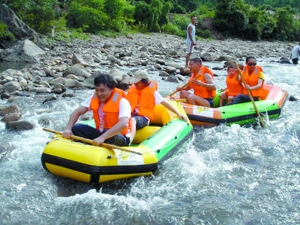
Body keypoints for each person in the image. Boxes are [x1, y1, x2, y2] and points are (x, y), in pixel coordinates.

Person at [62, 74, 132, 146]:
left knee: (108, 133)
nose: (99, 93)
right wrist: (68, 129)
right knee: (76, 128)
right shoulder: (95, 97)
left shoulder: (122, 101)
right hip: (101, 134)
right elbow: (77, 112)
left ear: (111, 89)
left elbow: (123, 123)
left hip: (119, 137)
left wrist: (103, 137)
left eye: (102, 91)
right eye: (97, 90)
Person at [127, 70, 187, 139]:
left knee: (133, 120)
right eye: (135, 83)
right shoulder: (133, 89)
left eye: (137, 83)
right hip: (132, 114)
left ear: (143, 82)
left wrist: (178, 114)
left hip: (144, 118)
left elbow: (165, 104)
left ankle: (128, 140)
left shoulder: (153, 93)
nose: (135, 84)